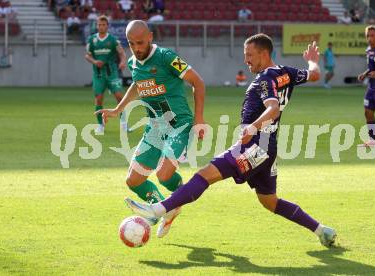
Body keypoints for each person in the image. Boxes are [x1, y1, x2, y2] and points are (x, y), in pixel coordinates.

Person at [125, 33, 337, 248]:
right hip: (268, 148)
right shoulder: (286, 73)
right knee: (270, 202)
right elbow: (315, 75)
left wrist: (253, 127)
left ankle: (158, 209)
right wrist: (312, 60)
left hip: (254, 145)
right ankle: (322, 230)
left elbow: (272, 109)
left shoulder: (264, 79)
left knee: (204, 176)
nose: (246, 60)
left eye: (249, 55)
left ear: (264, 54)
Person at [96, 20, 206, 238]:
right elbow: (137, 84)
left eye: (140, 42)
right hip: (154, 127)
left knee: (164, 176)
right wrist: (118, 109)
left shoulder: (167, 57)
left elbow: (198, 82)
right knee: (133, 181)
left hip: (179, 124)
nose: (136, 48)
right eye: (131, 43)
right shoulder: (133, 63)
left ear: (150, 37)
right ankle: (164, 209)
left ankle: (176, 199)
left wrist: (199, 119)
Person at [85, 16, 127, 134]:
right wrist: (94, 61)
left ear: (107, 26)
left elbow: (122, 53)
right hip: (98, 75)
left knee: (119, 97)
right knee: (98, 99)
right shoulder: (91, 40)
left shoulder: (113, 40)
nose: (101, 26)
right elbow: (87, 55)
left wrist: (123, 61)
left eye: (103, 24)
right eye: (99, 24)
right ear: (96, 26)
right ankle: (100, 125)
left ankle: (124, 124)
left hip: (112, 73)